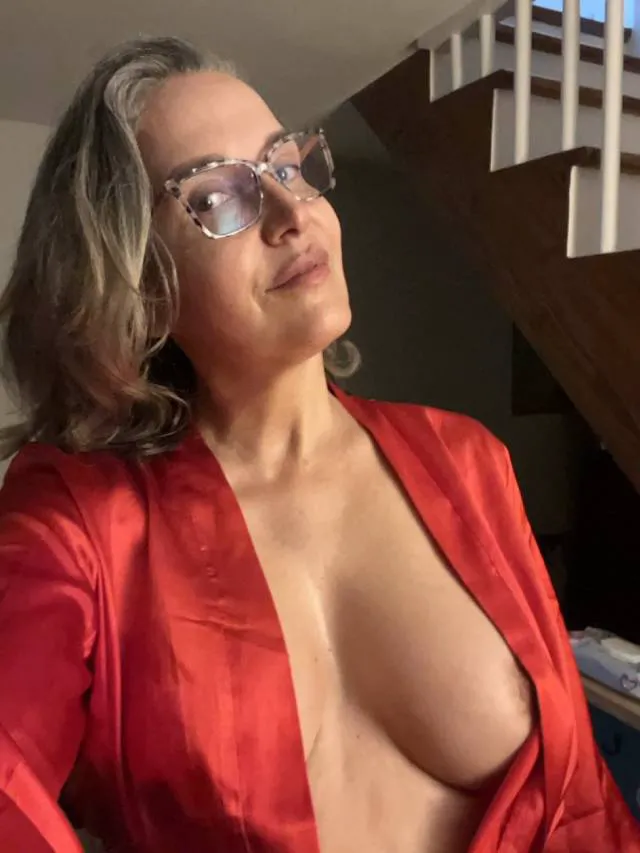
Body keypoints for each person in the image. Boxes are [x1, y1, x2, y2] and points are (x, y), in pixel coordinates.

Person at [0, 36, 637, 853]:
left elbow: (579, 797)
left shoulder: (468, 460)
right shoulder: (80, 523)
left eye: (286, 164)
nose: (291, 213)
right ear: (138, 282)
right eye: (219, 195)